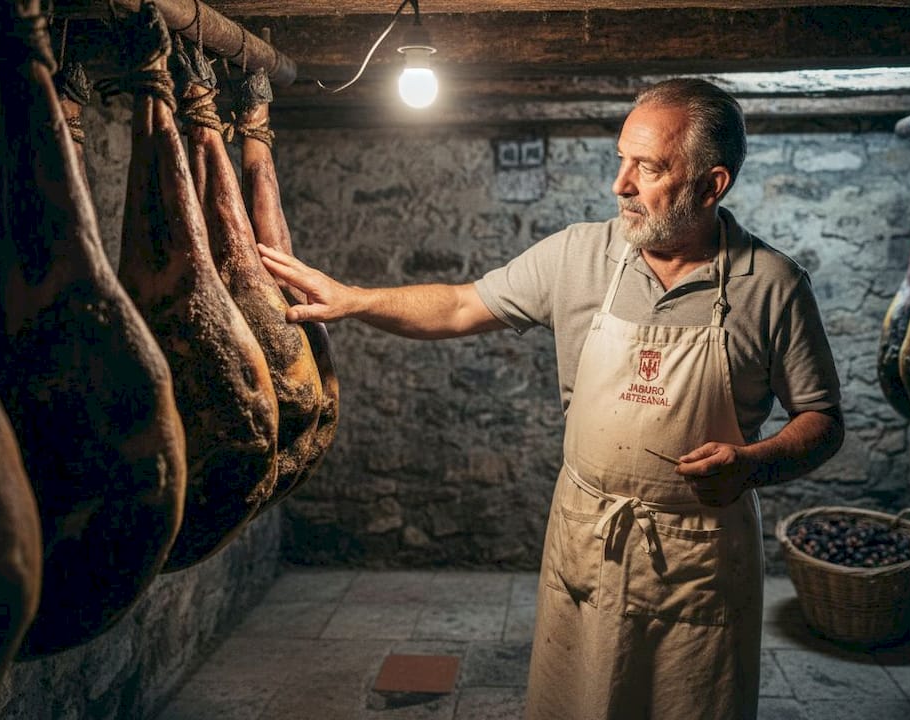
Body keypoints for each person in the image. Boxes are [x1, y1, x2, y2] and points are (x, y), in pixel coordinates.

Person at [258, 78, 844, 720]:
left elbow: (822, 419)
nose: (619, 185)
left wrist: (754, 464)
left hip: (699, 556)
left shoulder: (774, 285)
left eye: (646, 168)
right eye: (621, 159)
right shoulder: (579, 256)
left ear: (712, 185)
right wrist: (354, 299)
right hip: (590, 539)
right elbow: (459, 305)